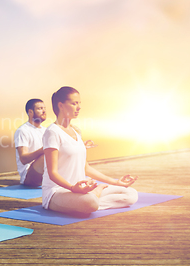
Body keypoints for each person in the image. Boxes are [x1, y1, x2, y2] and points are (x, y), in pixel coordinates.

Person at [42, 86, 138, 216]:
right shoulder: (52, 132)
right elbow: (52, 173)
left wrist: (115, 182)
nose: (79, 107)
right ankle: (93, 198)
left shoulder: (76, 131)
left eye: (79, 103)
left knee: (131, 194)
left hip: (82, 189)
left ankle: (92, 198)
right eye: (74, 103)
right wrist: (72, 188)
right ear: (61, 105)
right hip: (57, 192)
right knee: (90, 202)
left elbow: (86, 168)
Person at [14, 99, 48, 186]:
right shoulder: (23, 131)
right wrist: (43, 150)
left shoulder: (46, 131)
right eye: (40, 108)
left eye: (44, 108)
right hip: (28, 175)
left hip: (45, 173)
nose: (44, 111)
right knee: (48, 154)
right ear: (30, 112)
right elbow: (23, 159)